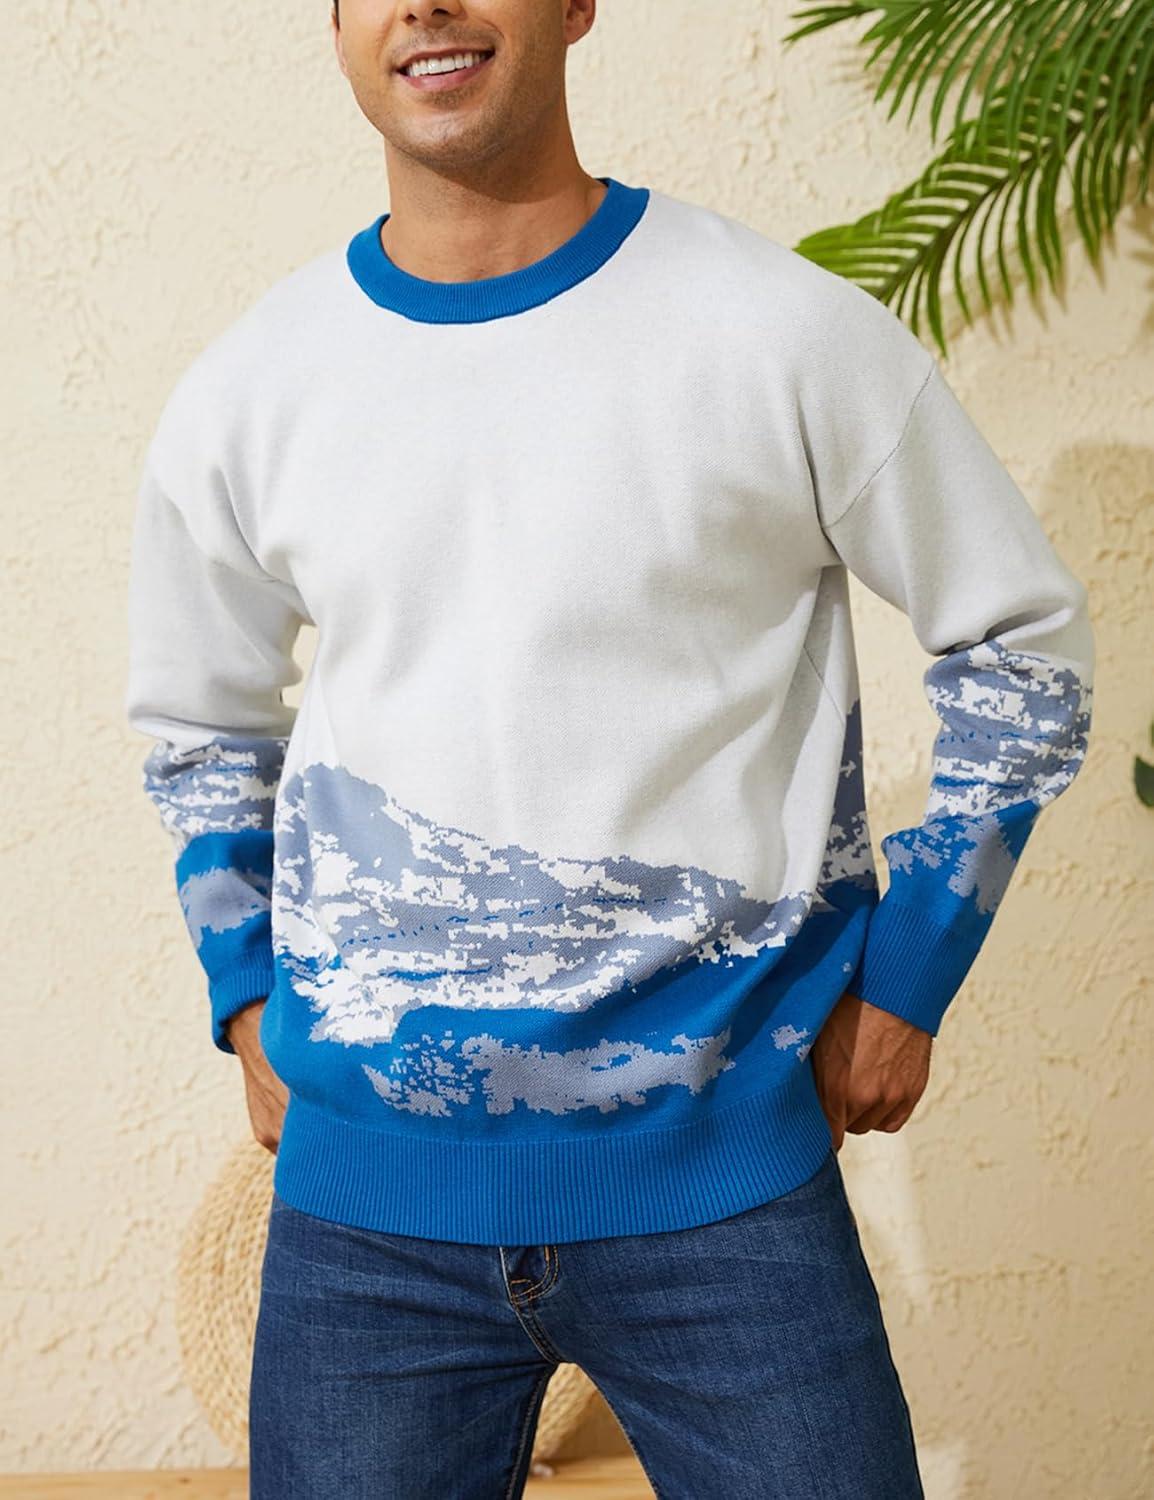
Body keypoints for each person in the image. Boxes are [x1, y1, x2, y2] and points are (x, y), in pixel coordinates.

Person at [123, 1, 1095, 1495]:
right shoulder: (255, 385)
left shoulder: (779, 329)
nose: (425, 5)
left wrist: (910, 977)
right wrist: (246, 992)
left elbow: (1019, 645)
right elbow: (200, 721)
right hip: (363, 1232)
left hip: (731, 1199)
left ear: (575, 4)